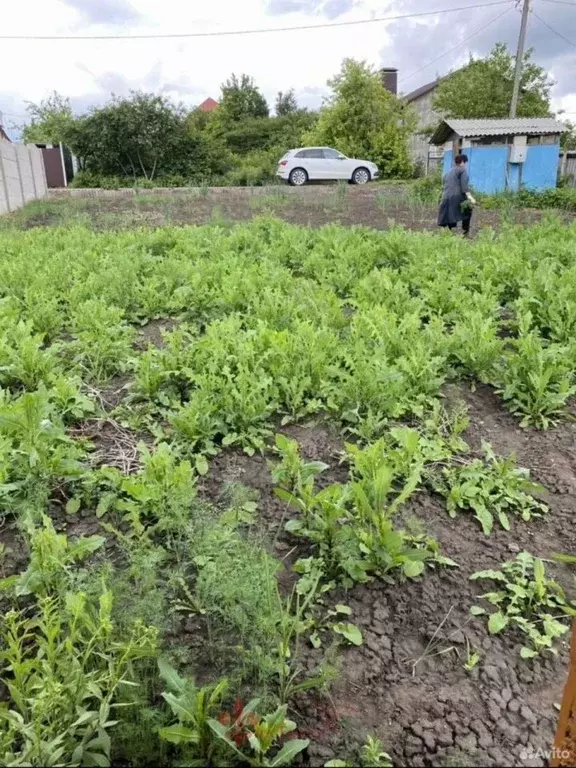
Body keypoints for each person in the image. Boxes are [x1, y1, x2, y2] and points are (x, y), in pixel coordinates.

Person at [437, 153, 476, 236]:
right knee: (468, 210)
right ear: (462, 162)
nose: (465, 165)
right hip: (456, 197)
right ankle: (465, 231)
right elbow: (464, 186)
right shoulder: (462, 170)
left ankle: (450, 232)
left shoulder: (449, 171)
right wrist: (470, 197)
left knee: (449, 214)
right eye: (465, 162)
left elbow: (444, 185)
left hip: (446, 196)